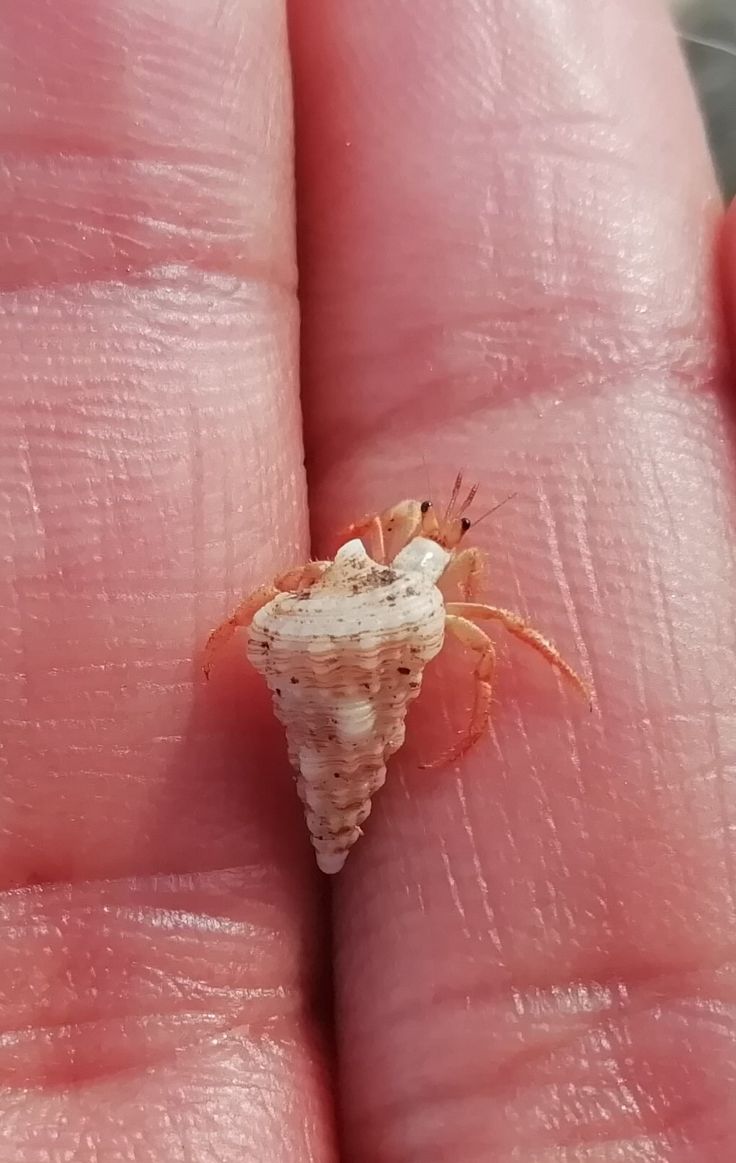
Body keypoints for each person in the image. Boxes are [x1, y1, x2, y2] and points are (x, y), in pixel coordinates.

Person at [1, 0, 733, 1158]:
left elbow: (474, 633)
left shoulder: (445, 590)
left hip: (360, 667)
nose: (430, 527)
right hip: (355, 657)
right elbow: (426, 587)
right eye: (431, 525)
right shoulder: (420, 564)